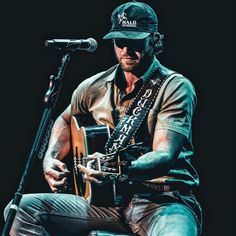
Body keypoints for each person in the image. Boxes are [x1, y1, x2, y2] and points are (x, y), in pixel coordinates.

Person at [4, 1, 202, 235]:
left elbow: (165, 154)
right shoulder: (93, 86)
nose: (126, 50)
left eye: (135, 42)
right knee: (22, 209)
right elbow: (66, 119)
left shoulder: (175, 87)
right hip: (106, 204)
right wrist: (51, 158)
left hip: (162, 203)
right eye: (120, 42)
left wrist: (119, 169)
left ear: (154, 40)